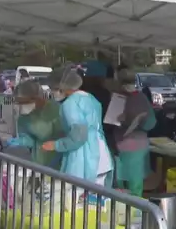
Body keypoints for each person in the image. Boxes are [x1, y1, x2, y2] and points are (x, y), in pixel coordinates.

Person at [42, 67, 114, 199]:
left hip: (83, 158)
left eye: (53, 87)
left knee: (74, 200)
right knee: (98, 201)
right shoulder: (91, 98)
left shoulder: (70, 104)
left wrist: (56, 145)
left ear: (62, 87)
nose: (52, 91)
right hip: (101, 155)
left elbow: (79, 135)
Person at [113, 68, 157, 196]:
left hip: (129, 144)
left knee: (128, 183)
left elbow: (150, 122)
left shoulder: (137, 98)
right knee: (129, 182)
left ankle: (132, 210)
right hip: (128, 144)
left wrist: (130, 119)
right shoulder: (120, 98)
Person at [6, 80, 63, 169]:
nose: (21, 105)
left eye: (24, 102)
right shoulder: (23, 117)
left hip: (60, 158)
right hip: (39, 160)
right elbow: (30, 139)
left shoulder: (56, 110)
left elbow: (64, 136)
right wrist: (23, 141)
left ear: (37, 98)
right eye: (18, 102)